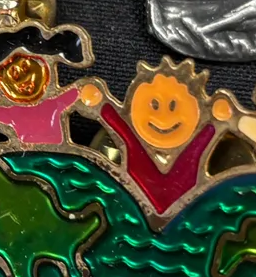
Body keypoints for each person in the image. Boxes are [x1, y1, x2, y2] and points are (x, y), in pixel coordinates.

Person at [78, 58, 234, 214]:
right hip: (134, 206)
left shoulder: (198, 141)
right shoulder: (134, 142)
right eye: (154, 104)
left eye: (173, 106)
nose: (163, 117)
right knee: (130, 141)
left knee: (196, 147)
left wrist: (219, 118)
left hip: (185, 207)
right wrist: (97, 102)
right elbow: (113, 120)